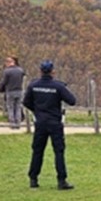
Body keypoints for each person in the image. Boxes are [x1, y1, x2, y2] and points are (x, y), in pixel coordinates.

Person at [23, 59, 76, 190]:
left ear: (40, 71)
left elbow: (26, 102)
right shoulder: (58, 86)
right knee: (58, 151)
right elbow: (72, 101)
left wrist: (37, 110)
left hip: (40, 122)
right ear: (53, 71)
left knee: (37, 151)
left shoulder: (33, 85)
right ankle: (61, 180)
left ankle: (33, 178)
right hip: (54, 122)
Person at [0, 55, 26, 129]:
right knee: (18, 107)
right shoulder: (21, 70)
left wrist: (0, 88)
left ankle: (12, 123)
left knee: (10, 108)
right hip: (19, 91)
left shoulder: (7, 71)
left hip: (10, 91)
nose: (6, 63)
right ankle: (18, 123)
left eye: (7, 62)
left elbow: (4, 82)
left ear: (12, 62)